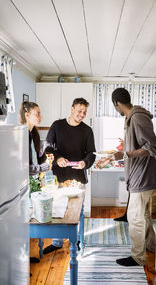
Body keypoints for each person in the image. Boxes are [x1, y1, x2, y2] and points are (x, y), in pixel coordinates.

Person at [97, 88, 156, 266]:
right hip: (139, 175)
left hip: (143, 176)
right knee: (143, 216)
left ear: (116, 103)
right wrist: (115, 155)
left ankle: (138, 258)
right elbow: (136, 145)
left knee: (135, 218)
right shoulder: (130, 117)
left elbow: (153, 148)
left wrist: (124, 154)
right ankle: (152, 246)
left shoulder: (138, 118)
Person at [43, 97, 96, 254]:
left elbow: (91, 152)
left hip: (78, 178)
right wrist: (58, 158)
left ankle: (78, 240)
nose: (81, 114)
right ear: (72, 108)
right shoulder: (57, 125)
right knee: (58, 210)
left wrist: (85, 163)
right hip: (59, 177)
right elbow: (47, 146)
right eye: (79, 110)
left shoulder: (87, 130)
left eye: (84, 112)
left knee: (78, 212)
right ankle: (57, 242)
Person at [19, 101, 49, 270]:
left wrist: (45, 153)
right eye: (37, 113)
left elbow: (36, 158)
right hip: (24, 183)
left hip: (35, 181)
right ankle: (21, 263)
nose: (40, 116)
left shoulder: (33, 134)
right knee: (24, 221)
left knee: (30, 220)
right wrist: (42, 167)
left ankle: (25, 258)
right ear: (27, 115)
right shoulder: (21, 134)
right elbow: (22, 166)